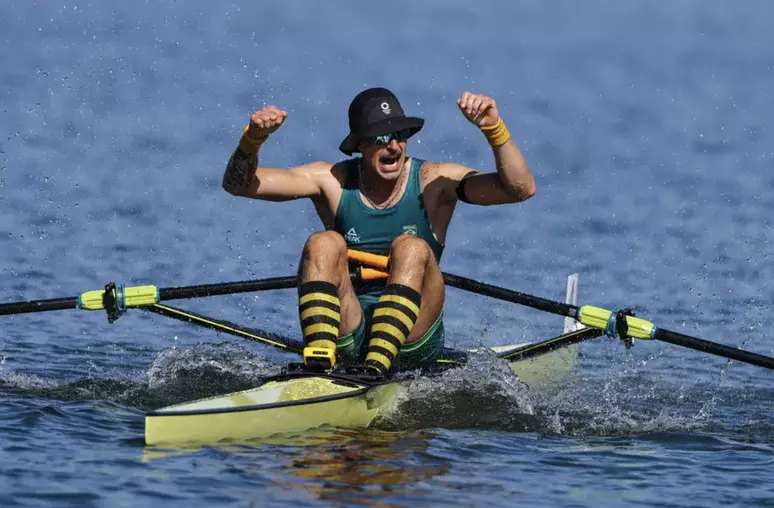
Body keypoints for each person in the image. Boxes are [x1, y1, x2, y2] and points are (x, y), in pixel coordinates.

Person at [222, 87, 536, 377]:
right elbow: (239, 186)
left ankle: (377, 366)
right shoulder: (332, 181)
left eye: (400, 134)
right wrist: (252, 140)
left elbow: (520, 190)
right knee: (323, 242)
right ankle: (319, 359)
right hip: (350, 326)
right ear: (360, 145)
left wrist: (493, 130)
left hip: (414, 337)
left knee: (410, 248)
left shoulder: (435, 181)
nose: (394, 145)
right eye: (381, 137)